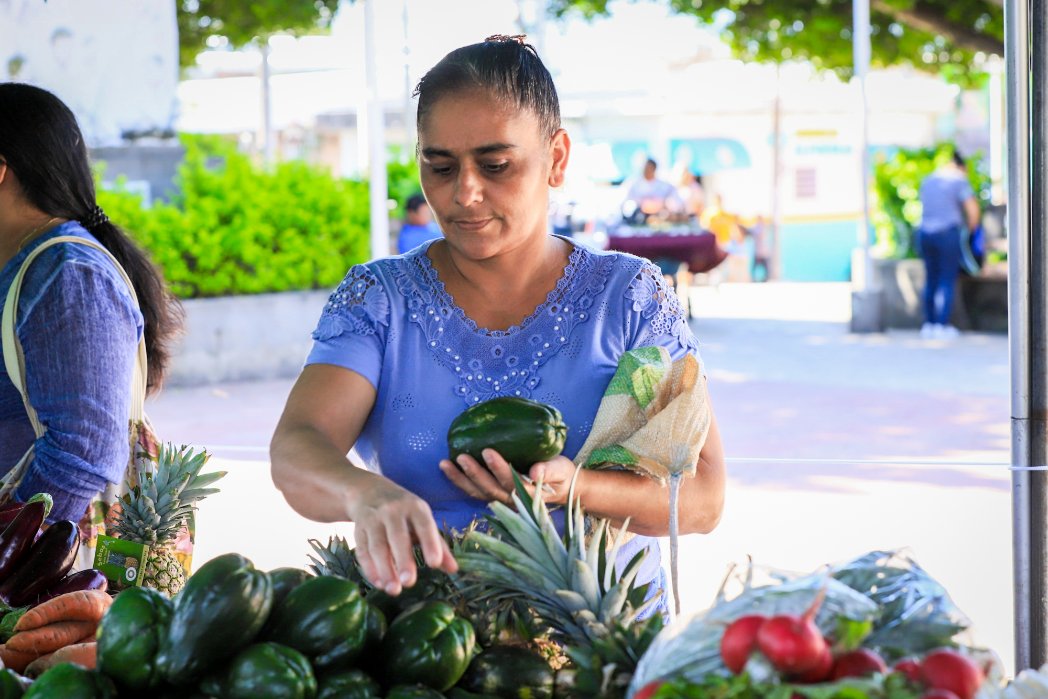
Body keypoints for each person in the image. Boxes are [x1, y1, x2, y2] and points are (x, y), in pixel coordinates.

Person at [270, 36, 726, 611]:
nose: (464, 192)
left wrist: (577, 488)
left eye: (495, 165)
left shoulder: (629, 300)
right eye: (439, 166)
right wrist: (363, 493)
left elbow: (704, 497)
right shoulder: (379, 301)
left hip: (601, 654)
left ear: (556, 158)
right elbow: (297, 446)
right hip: (427, 647)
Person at [0, 83, 182, 522]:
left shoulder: (67, 273)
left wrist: (11, 553)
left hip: (42, 580)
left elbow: (82, 455)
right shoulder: (33, 265)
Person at [917, 150, 981, 339]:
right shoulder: (959, 180)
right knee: (947, 279)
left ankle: (928, 324)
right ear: (960, 166)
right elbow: (973, 211)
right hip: (947, 233)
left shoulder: (928, 180)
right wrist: (971, 232)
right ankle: (942, 325)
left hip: (925, 233)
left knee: (931, 279)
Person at [621, 158, 683, 224]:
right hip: (638, 217)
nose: (646, 170)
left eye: (649, 168)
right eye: (645, 168)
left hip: (660, 216)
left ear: (654, 169)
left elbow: (675, 202)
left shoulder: (664, 185)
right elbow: (627, 203)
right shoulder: (633, 183)